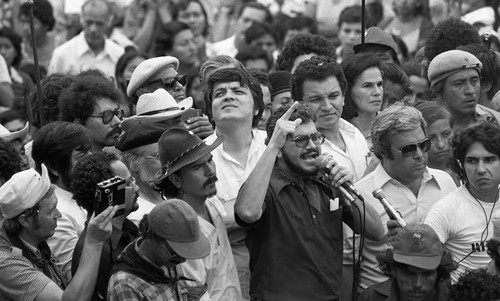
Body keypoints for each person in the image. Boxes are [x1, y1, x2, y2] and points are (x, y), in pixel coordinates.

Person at [235, 103, 384, 300]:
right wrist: (272, 147)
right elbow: (247, 212)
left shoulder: (329, 182)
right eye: (301, 140)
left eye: (315, 137)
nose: (312, 146)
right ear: (278, 148)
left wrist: (347, 187)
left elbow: (376, 231)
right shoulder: (264, 188)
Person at [353, 104, 457, 290]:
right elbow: (348, 262)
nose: (419, 155)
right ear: (383, 152)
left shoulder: (445, 182)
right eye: (408, 149)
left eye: (424, 145)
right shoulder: (361, 195)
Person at [0, 165, 117, 300]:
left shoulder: (36, 243)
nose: (59, 215)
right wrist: (94, 241)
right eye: (51, 211)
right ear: (26, 220)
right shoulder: (6, 264)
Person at [154, 127, 242, 300]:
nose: (210, 171)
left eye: (210, 161)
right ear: (176, 179)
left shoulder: (210, 204)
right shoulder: (179, 230)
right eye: (197, 167)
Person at [203, 67, 265, 299]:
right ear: (210, 113)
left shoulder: (274, 145)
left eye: (238, 91)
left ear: (257, 107)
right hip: (229, 275)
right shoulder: (200, 159)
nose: (228, 96)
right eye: (219, 94)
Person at [425, 122, 500, 282]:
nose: (480, 169)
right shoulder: (446, 209)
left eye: (489, 160)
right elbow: (424, 261)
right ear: (461, 165)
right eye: (472, 161)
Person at [107, 199, 211, 301]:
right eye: (174, 252)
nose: (182, 259)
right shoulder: (126, 285)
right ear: (151, 237)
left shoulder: (165, 261)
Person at [70, 152, 139, 301]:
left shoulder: (129, 228)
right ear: (109, 194)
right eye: (128, 184)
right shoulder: (95, 250)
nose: (136, 188)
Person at [31, 121, 93, 278]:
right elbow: (78, 276)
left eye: (90, 153)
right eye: (82, 157)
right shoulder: (57, 213)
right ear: (54, 168)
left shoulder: (83, 193)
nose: (92, 160)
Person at [357, 224, 456, 301]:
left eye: (427, 274)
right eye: (409, 273)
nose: (417, 284)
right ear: (394, 270)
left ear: (438, 273)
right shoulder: (371, 297)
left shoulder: (456, 297)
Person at [126, 55, 213, 139]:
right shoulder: (134, 136)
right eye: (170, 82)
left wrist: (214, 134)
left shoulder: (196, 119)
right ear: (143, 93)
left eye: (180, 79)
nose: (180, 86)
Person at [47, 0, 124, 78]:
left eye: (99, 23)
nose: (93, 29)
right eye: (89, 22)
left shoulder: (119, 55)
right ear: (81, 19)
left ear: (109, 22)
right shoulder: (62, 55)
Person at [427, 49, 500, 130]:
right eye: (459, 84)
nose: (470, 91)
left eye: (474, 81)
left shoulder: (496, 121)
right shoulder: (424, 126)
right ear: (438, 91)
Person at [58, 71, 123, 152]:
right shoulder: (74, 163)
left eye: (117, 113)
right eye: (106, 116)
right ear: (79, 124)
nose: (117, 121)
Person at [340, 53, 384, 144]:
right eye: (367, 86)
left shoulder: (393, 126)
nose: (377, 92)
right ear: (348, 90)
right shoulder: (337, 131)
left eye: (379, 84)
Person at [415, 101, 461, 185]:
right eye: (431, 138)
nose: (441, 145)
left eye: (446, 134)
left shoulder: (466, 167)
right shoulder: (414, 180)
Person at [0, 28, 35, 119]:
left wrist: (29, 133)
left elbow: (32, 114)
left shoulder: (24, 79)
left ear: (16, 52)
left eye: (7, 47)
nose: (2, 52)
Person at [18, 0, 56, 69]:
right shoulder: (19, 47)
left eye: (30, 22)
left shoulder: (59, 45)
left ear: (46, 24)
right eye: (23, 22)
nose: (25, 28)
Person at [114, 47, 148, 117]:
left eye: (144, 70)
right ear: (120, 75)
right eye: (133, 70)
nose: (139, 74)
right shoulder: (112, 108)